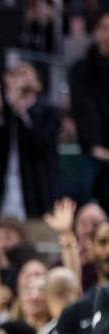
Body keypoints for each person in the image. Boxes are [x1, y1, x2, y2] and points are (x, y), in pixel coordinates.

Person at [0, 61, 61, 220]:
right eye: (15, 74)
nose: (19, 79)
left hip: (37, 197)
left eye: (24, 73)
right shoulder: (6, 113)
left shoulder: (48, 111)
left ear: (36, 82)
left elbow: (41, 145)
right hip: (5, 196)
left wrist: (21, 110)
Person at [70, 10, 109, 212]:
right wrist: (95, 145)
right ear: (96, 32)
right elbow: (83, 110)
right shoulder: (81, 69)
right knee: (86, 200)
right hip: (93, 151)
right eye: (104, 28)